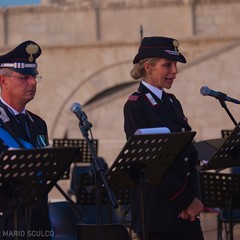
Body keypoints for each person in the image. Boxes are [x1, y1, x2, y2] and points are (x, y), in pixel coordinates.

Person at [123, 36, 205, 240]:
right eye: (167, 65)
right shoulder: (136, 105)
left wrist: (194, 199)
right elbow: (149, 163)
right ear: (148, 67)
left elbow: (190, 155)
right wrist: (184, 200)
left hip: (186, 213)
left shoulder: (172, 102)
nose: (175, 71)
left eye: (175, 65)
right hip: (158, 213)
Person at [0, 40, 52, 239]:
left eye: (34, 76)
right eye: (24, 77)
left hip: (38, 223)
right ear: (3, 81)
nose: (32, 82)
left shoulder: (38, 124)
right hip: (7, 225)